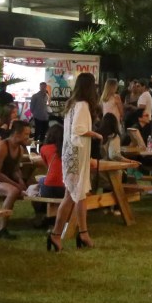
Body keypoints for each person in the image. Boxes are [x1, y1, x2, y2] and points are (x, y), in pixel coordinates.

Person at [48, 72, 102, 251]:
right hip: (77, 154)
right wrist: (95, 134)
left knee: (77, 195)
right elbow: (79, 129)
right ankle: (59, 234)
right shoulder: (83, 105)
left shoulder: (72, 105)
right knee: (73, 194)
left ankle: (81, 232)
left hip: (72, 153)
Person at [0, 120, 32, 239]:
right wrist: (15, 185)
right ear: (17, 134)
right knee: (13, 191)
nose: (28, 137)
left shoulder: (20, 149)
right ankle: (1, 229)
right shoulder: (1, 147)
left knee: (27, 187)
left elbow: (15, 170)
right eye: (26, 134)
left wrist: (20, 182)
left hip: (2, 181)